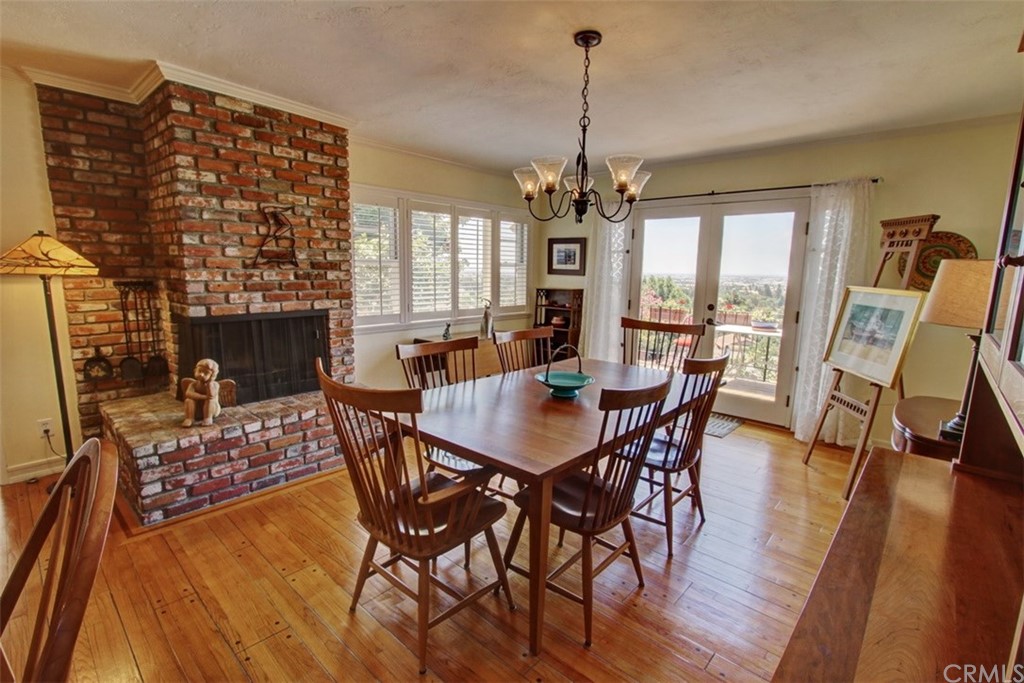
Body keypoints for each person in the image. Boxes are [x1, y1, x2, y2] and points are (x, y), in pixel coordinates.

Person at [181, 358, 222, 427]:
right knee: (189, 400)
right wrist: (203, 397)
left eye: (206, 373)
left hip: (212, 410)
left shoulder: (215, 385)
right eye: (199, 371)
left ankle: (208, 418)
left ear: (212, 376)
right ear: (195, 371)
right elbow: (188, 393)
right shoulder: (193, 384)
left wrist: (210, 384)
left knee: (210, 401)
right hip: (198, 410)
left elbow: (211, 395)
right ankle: (189, 418)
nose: (201, 374)